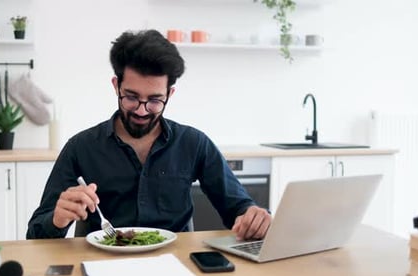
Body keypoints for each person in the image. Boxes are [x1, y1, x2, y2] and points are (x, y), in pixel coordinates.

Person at [26, 29, 271, 240]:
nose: (142, 111)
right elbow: (35, 234)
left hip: (177, 265)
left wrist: (252, 216)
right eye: (131, 97)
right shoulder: (81, 147)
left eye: (154, 100)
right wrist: (57, 219)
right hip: (103, 265)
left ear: (170, 94)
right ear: (116, 85)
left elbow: (237, 207)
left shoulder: (194, 143)